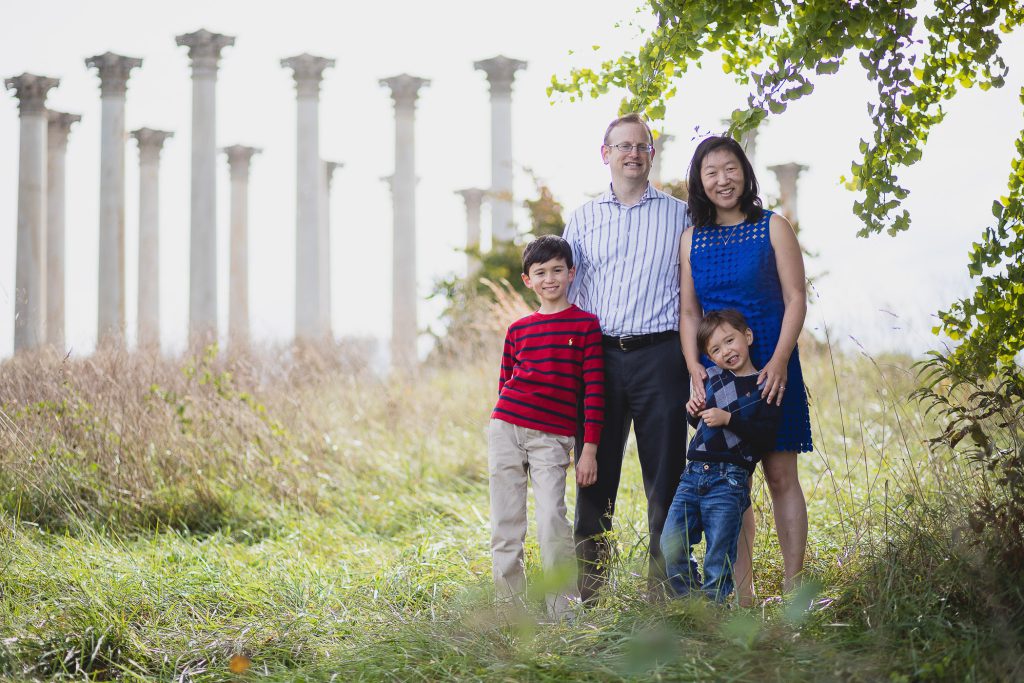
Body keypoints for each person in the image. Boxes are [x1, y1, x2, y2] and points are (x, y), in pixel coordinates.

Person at [679, 134, 813, 604]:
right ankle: (743, 595)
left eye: (730, 168)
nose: (722, 179)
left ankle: (796, 590)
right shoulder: (692, 238)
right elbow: (690, 314)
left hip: (772, 370)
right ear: (699, 180)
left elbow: (797, 297)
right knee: (730, 486)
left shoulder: (773, 227)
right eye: (711, 171)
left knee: (781, 477)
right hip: (719, 379)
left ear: (745, 171)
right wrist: (694, 368)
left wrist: (777, 360)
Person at [563, 113, 691, 601]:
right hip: (597, 359)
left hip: (660, 356)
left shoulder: (679, 216)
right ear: (606, 154)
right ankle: (591, 591)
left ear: (651, 154)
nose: (633, 153)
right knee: (594, 475)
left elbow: (691, 292)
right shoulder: (583, 218)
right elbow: (567, 293)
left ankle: (665, 589)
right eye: (623, 146)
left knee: (666, 475)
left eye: (641, 146)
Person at [488, 235, 605, 620]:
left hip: (552, 437)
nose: (550, 278)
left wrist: (589, 448)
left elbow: (594, 393)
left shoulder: (586, 325)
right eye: (541, 272)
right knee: (506, 523)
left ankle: (564, 613)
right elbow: (506, 382)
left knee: (553, 519)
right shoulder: (518, 329)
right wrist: (502, 422)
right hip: (507, 427)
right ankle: (512, 612)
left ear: (571, 273)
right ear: (528, 280)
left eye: (557, 270)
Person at [661, 309, 781, 602]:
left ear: (747, 336)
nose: (726, 351)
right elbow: (704, 424)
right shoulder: (712, 378)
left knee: (718, 555)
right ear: (709, 357)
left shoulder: (764, 384)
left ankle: (713, 617)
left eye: (730, 341)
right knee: (671, 543)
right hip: (693, 475)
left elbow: (766, 436)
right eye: (715, 349)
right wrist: (693, 413)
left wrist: (728, 419)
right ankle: (692, 604)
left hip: (729, 481)